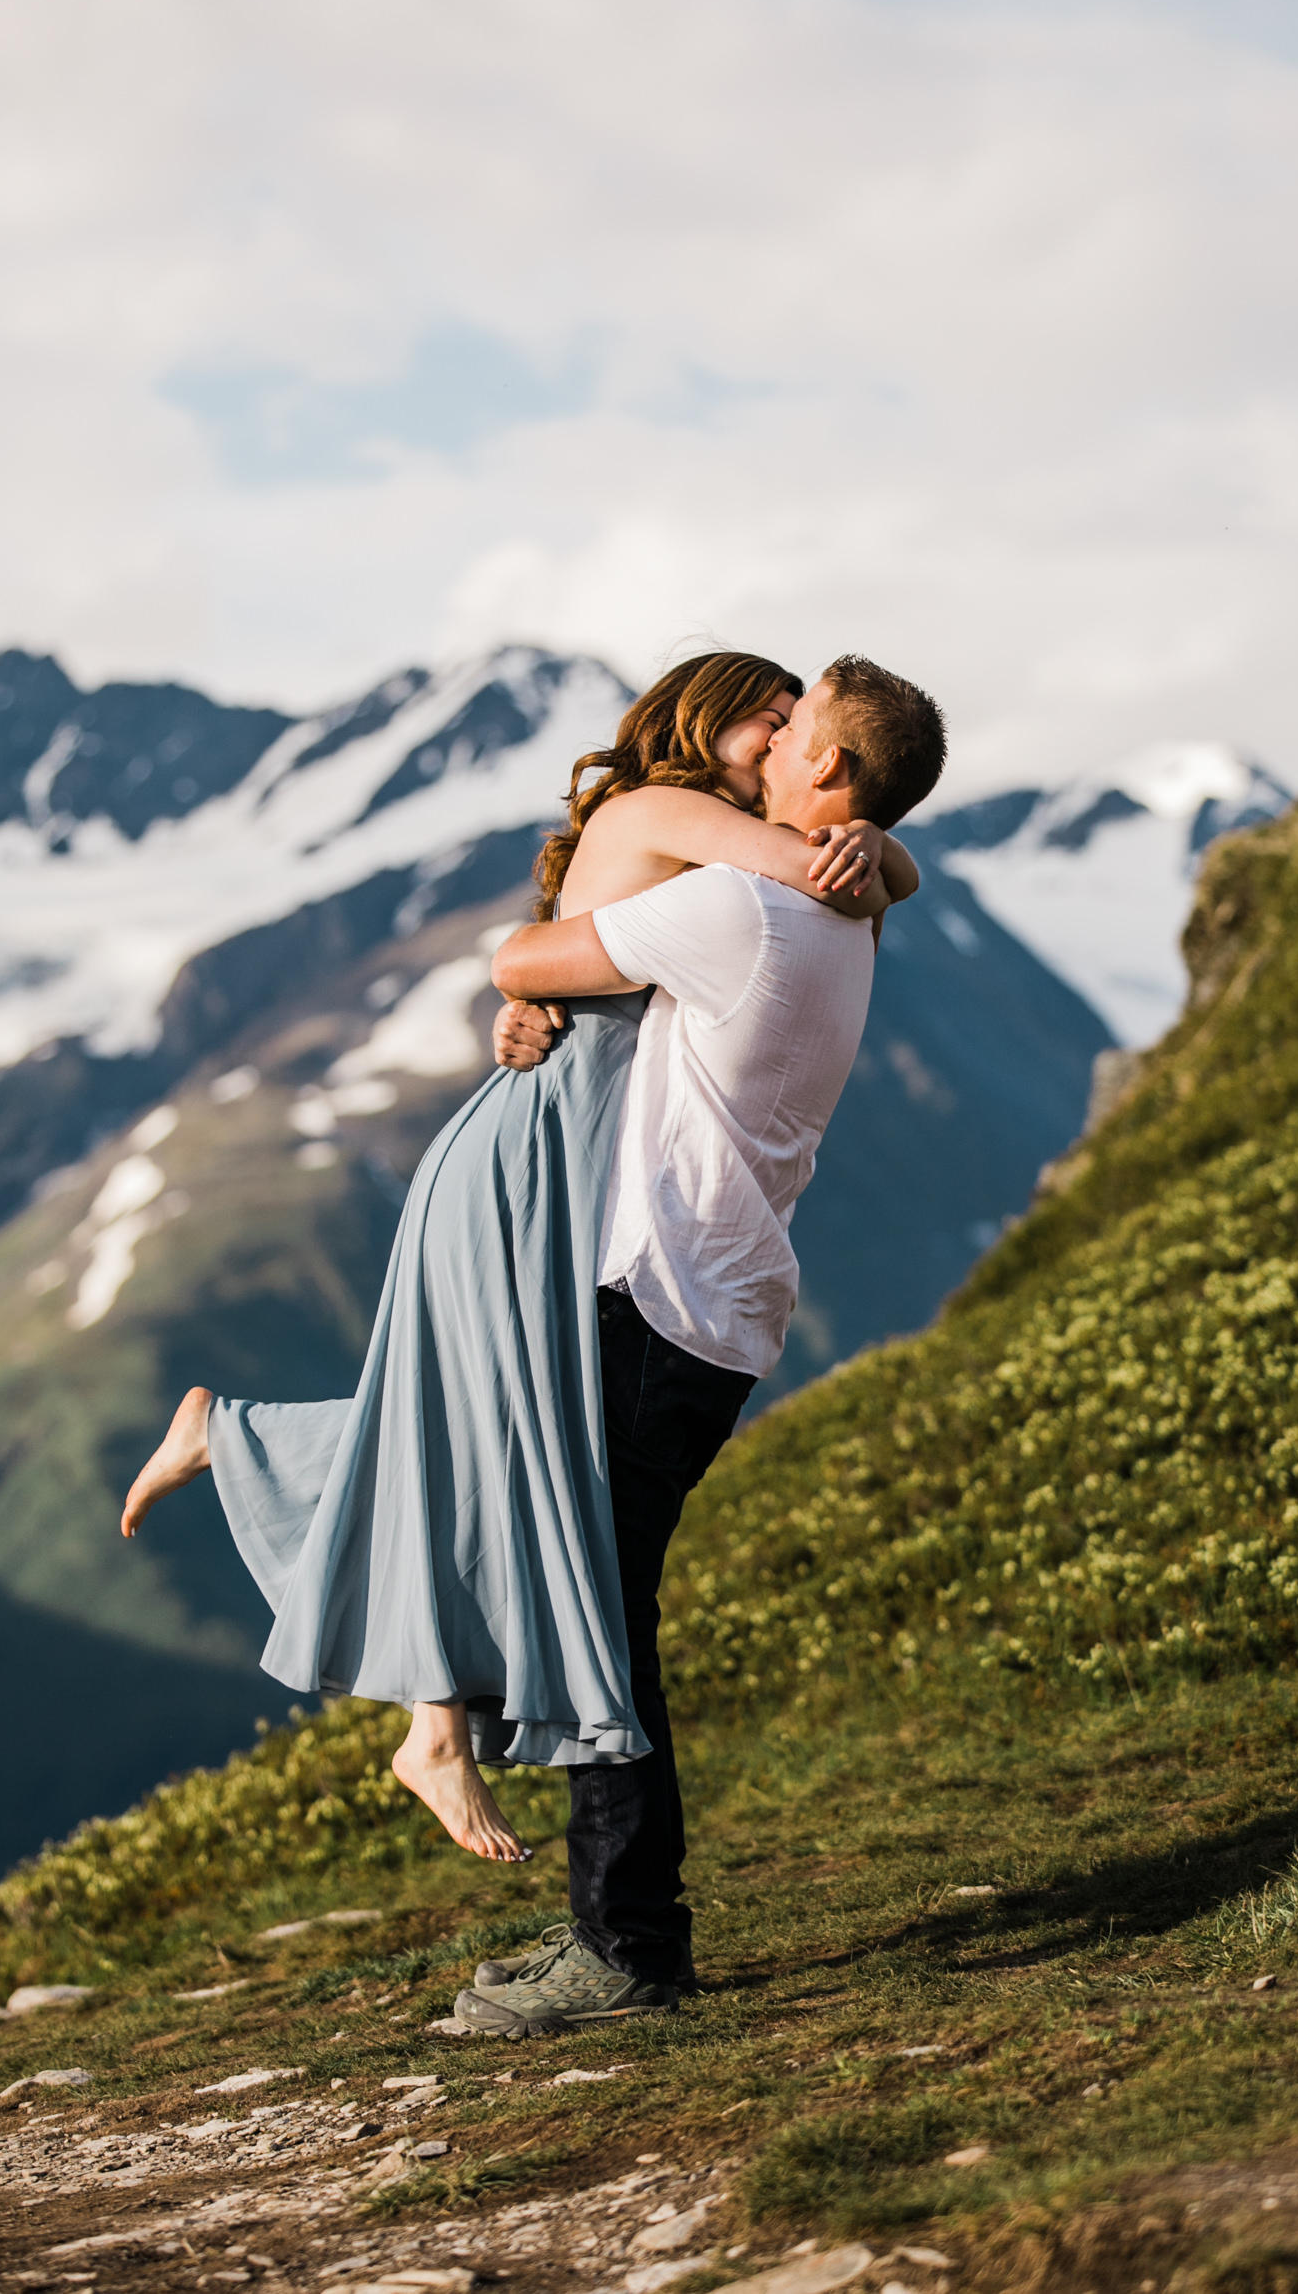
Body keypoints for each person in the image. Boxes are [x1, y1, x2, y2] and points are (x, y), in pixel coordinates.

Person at [119, 653, 910, 1882]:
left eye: (795, 719)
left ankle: (255, 1466)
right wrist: (864, 851)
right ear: (715, 724)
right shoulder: (671, 819)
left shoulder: (709, 843)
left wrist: (871, 844)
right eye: (769, 710)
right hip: (534, 1161)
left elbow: (808, 866)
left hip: (567, 1155)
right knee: (487, 1438)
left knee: (482, 1436)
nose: (778, 730)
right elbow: (797, 868)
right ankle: (431, 1720)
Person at [455, 654, 945, 2037]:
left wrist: (526, 993)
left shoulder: (735, 906)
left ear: (829, 782)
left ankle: (623, 1949)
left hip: (654, 1297)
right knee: (600, 1607)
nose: (774, 738)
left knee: (601, 1623)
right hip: (722, 1307)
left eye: (794, 731)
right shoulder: (846, 917)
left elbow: (522, 957)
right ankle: (614, 1931)